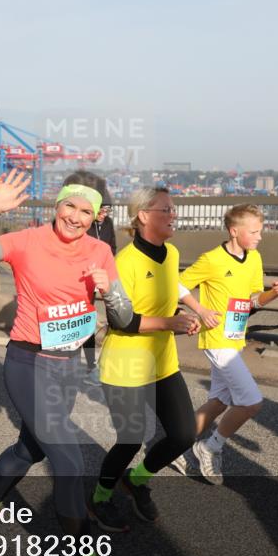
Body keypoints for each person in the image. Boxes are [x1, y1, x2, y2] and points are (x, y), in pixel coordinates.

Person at [0, 169, 136, 556]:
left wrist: (110, 293)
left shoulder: (101, 251)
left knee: (30, 449)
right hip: (28, 362)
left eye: (85, 211)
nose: (75, 217)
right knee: (68, 461)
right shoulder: (27, 241)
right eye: (70, 206)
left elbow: (124, 319)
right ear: (57, 204)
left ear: (97, 216)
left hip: (69, 366)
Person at [88, 186, 200, 533]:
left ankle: (136, 480)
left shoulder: (172, 254)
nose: (174, 215)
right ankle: (100, 497)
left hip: (162, 362)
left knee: (183, 435)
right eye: (166, 210)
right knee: (130, 439)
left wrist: (183, 317)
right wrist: (170, 323)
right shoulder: (124, 263)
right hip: (125, 365)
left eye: (174, 209)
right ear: (143, 216)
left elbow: (163, 302)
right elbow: (121, 320)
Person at [170, 204, 278, 483]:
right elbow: (176, 284)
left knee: (220, 401)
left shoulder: (254, 258)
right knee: (251, 402)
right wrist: (200, 310)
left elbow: (252, 300)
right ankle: (210, 447)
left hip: (235, 337)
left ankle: (173, 448)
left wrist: (272, 294)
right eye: (254, 232)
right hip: (217, 337)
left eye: (260, 231)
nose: (260, 237)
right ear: (234, 231)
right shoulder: (212, 259)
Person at [63, 170, 117, 387]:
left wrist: (106, 271)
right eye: (101, 209)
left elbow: (112, 248)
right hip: (78, 281)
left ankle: (94, 366)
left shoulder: (108, 224)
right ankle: (81, 365)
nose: (104, 213)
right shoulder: (79, 223)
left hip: (99, 280)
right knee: (79, 324)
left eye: (107, 210)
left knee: (95, 324)